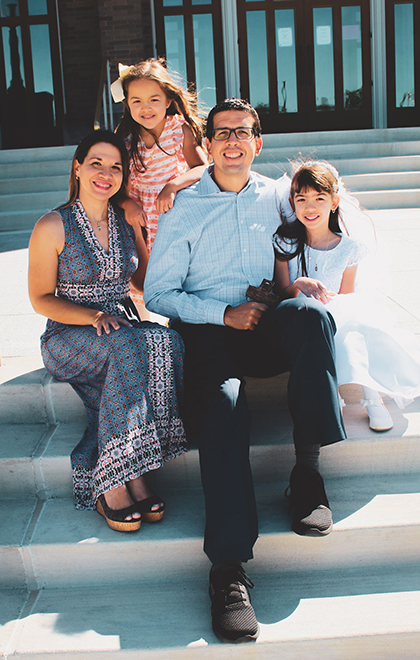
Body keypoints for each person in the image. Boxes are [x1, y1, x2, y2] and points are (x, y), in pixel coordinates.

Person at [144, 99, 346, 643]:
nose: (232, 141)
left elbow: (326, 212)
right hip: (209, 334)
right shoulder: (182, 210)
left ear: (258, 143)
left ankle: (306, 474)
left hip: (263, 320)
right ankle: (228, 571)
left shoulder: (277, 198)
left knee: (309, 315)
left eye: (243, 132)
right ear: (205, 145)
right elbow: (159, 293)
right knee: (226, 407)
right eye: (221, 133)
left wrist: (300, 285)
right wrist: (221, 314)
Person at [28, 130, 187, 533]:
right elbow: (41, 298)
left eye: (116, 166)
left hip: (121, 329)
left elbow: (145, 283)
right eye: (96, 163)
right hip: (68, 334)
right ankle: (115, 479)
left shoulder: (124, 217)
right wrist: (93, 317)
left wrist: (138, 229)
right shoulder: (52, 224)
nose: (106, 172)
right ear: (78, 168)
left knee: (165, 341)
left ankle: (132, 469)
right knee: (128, 346)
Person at [273, 160, 420, 431]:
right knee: (320, 321)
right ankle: (333, 396)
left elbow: (347, 296)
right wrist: (300, 284)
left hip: (338, 314)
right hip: (301, 319)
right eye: (302, 199)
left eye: (319, 198)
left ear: (334, 201)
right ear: (293, 202)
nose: (310, 207)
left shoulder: (349, 248)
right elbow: (282, 294)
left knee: (354, 314)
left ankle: (372, 397)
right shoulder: (286, 242)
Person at [111, 58, 208, 253]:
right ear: (128, 105)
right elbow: (116, 190)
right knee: (142, 276)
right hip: (139, 220)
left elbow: (204, 168)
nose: (145, 108)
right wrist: (127, 203)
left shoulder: (178, 130)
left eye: (154, 100)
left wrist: (172, 186)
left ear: (168, 100)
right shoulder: (126, 140)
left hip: (172, 214)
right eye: (136, 101)